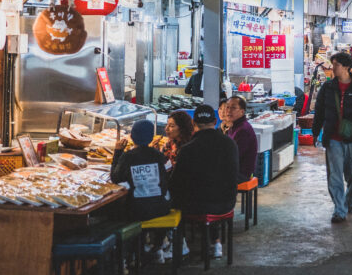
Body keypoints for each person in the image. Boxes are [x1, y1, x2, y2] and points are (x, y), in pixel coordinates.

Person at [170, 104, 239, 259]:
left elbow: (176, 183)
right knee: (210, 191)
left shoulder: (187, 150)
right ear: (215, 121)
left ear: (194, 124)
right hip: (227, 202)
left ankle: (178, 245)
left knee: (175, 199)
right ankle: (216, 243)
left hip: (198, 206)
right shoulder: (230, 144)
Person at [312, 52, 352, 223]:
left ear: (346, 67)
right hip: (333, 138)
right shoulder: (328, 88)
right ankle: (339, 210)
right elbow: (319, 111)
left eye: (336, 65)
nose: (333, 68)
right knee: (335, 176)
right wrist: (316, 131)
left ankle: (349, 201)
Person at [110, 119, 171, 221]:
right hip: (162, 207)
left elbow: (115, 178)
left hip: (137, 210)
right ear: (151, 137)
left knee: (111, 212)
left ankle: (134, 236)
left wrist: (118, 152)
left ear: (131, 136)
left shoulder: (128, 156)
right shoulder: (158, 155)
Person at [224, 96, 258, 183]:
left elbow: (233, 157)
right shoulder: (234, 126)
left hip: (241, 174)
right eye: (227, 107)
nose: (229, 110)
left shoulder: (243, 130)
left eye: (233, 108)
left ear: (242, 112)